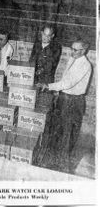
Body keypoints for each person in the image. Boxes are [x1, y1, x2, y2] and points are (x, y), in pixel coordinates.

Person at [35, 40, 92, 173]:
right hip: (64, 99)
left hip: (73, 102)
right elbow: (64, 80)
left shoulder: (85, 65)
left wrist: (48, 86)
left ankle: (62, 167)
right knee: (59, 131)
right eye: (71, 48)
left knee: (68, 134)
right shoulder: (73, 59)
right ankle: (55, 162)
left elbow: (68, 83)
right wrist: (56, 92)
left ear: (84, 51)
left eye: (76, 50)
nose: (72, 52)